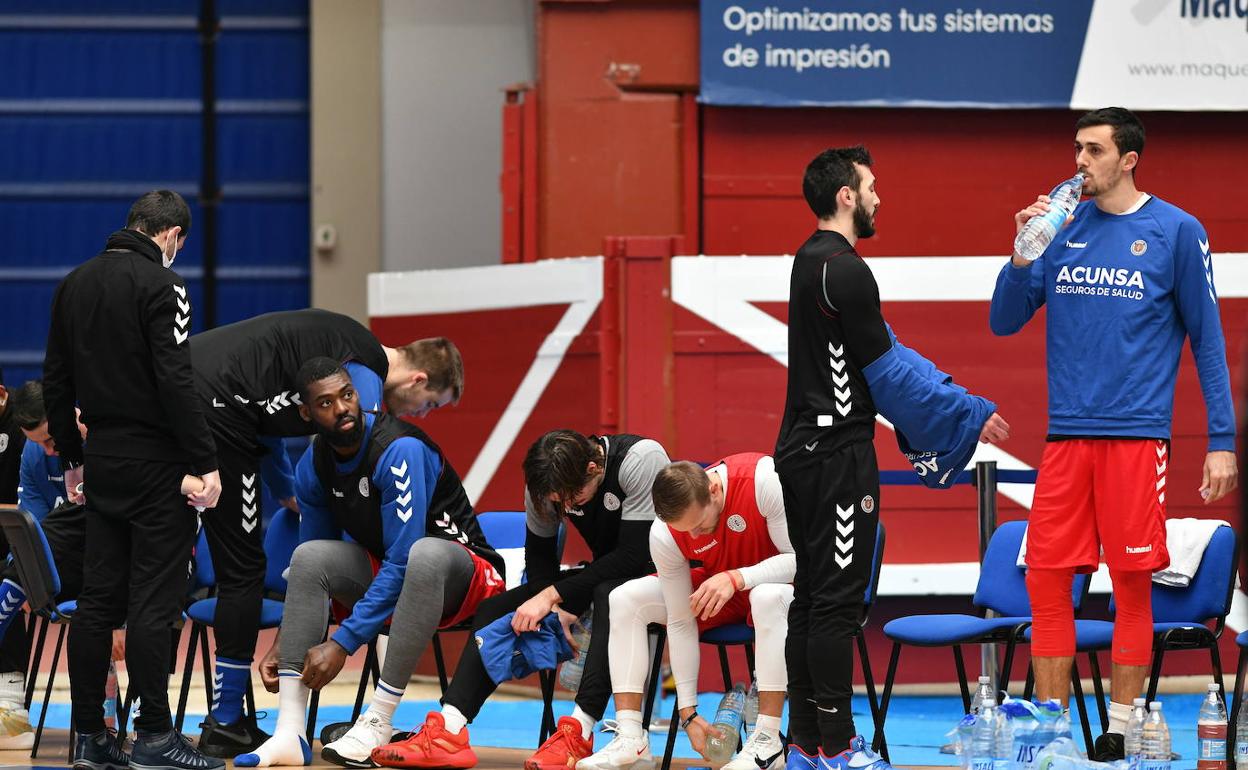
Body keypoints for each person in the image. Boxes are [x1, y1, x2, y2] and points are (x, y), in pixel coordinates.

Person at [990, 107, 1237, 760]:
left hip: (1136, 438)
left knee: (1131, 583)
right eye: (1077, 148)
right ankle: (1051, 733)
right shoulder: (1061, 228)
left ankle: (1120, 728)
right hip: (1065, 439)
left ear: (1129, 159)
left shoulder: (1176, 231)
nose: (1080, 161)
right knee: (1046, 581)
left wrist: (1222, 440)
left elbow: (1208, 343)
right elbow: (1003, 320)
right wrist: (1020, 256)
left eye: (1094, 150)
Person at [777, 146, 1007, 769]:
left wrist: (957, 399)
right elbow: (890, 377)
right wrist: (966, 413)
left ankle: (804, 744)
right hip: (835, 456)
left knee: (810, 597)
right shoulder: (847, 269)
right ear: (846, 195)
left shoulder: (809, 260)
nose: (879, 198)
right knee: (835, 603)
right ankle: (836, 747)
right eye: (872, 187)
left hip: (800, 452)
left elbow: (889, 354)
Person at [189, 310, 465, 757]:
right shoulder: (363, 382)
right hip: (215, 406)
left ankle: (146, 722)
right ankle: (226, 721)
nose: (423, 415)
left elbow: (267, 424)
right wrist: (338, 640)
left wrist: (285, 491)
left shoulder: (336, 351)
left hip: (178, 388)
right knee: (243, 569)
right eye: (430, 404)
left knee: (164, 563)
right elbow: (351, 472)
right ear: (417, 380)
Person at [235, 358, 504, 769]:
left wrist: (343, 643)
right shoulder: (313, 465)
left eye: (347, 395)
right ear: (306, 413)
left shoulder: (399, 450)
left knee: (424, 553)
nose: (343, 408)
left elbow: (403, 559)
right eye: (326, 403)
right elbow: (316, 558)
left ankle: (378, 719)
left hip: (467, 577)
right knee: (309, 557)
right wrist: (285, 641)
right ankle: (290, 732)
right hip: (399, 577)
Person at [43, 190, 223, 770]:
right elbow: (176, 378)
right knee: (152, 602)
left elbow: (56, 380)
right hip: (157, 466)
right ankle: (153, 738)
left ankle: (90, 739)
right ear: (171, 236)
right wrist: (205, 459)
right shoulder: (165, 286)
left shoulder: (73, 284)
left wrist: (73, 457)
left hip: (103, 461)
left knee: (97, 603)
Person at [371, 429, 669, 770]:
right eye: (559, 501)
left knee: (608, 595)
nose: (567, 507)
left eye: (575, 498)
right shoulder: (545, 484)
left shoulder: (640, 459)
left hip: (660, 575)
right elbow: (540, 561)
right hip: (605, 573)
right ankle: (448, 730)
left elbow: (635, 556)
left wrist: (555, 597)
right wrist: (554, 606)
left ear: (593, 468)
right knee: (495, 608)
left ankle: (578, 733)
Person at [579, 455, 794, 770]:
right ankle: (631, 738)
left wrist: (738, 578)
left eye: (699, 525)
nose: (694, 538)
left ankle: (767, 741)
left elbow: (799, 561)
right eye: (685, 530)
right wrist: (688, 712)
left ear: (714, 490)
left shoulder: (762, 481)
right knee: (624, 598)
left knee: (765, 596)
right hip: (722, 590)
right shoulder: (664, 533)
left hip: (781, 588)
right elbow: (680, 621)